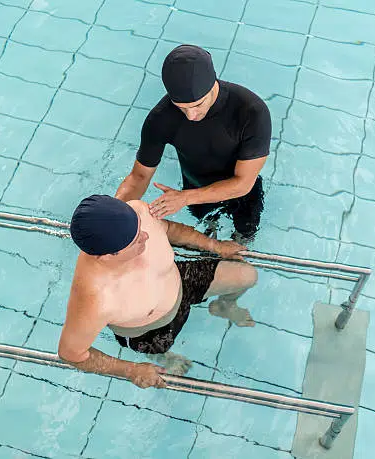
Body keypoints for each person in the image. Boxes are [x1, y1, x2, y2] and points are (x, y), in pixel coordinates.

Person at [58, 194, 258, 389]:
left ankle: (224, 305)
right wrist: (130, 370)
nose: (145, 235)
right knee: (163, 352)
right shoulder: (95, 298)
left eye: (140, 229)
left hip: (180, 281)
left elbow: (169, 229)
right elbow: (71, 353)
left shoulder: (138, 211)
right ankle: (162, 356)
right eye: (136, 240)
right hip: (150, 331)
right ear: (107, 257)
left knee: (247, 276)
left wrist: (214, 245)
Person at [115, 44, 272, 242]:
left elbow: (243, 183)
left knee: (243, 239)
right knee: (208, 236)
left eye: (198, 104)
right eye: (181, 107)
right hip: (194, 187)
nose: (191, 116)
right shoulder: (160, 119)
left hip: (242, 195)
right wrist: (113, 215)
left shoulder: (251, 112)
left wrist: (185, 197)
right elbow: (138, 177)